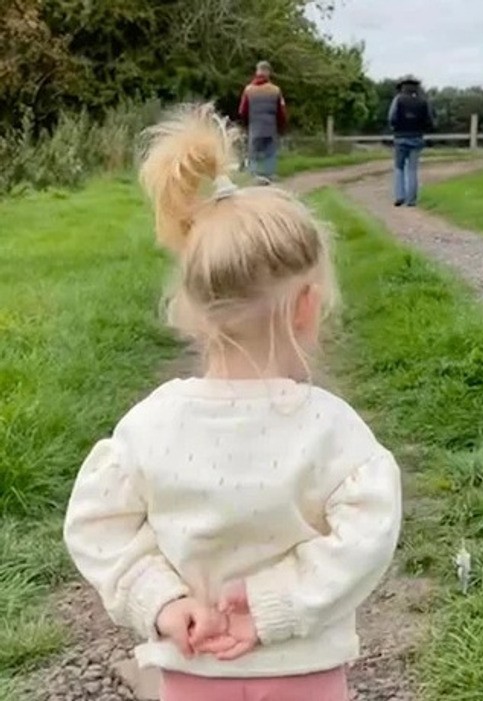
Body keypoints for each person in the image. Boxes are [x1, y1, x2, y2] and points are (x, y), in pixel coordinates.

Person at [63, 104, 402, 701]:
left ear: (193, 309)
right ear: (306, 307)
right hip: (303, 670)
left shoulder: (148, 427)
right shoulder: (332, 431)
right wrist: (277, 603)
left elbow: (95, 523)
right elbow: (368, 531)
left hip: (190, 666)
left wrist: (162, 601)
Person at [388, 75, 435, 207]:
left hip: (400, 137)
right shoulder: (423, 101)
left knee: (399, 168)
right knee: (412, 169)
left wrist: (394, 128)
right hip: (417, 137)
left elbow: (392, 117)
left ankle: (399, 196)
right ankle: (412, 200)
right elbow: (430, 120)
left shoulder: (398, 99)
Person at [238, 60, 287, 184]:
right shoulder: (276, 90)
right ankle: (269, 179)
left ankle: (254, 180)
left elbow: (242, 111)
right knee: (269, 155)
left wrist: (246, 124)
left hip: (254, 128)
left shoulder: (248, 90)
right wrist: (281, 127)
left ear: (257, 72)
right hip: (270, 129)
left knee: (253, 155)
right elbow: (281, 112)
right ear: (268, 73)